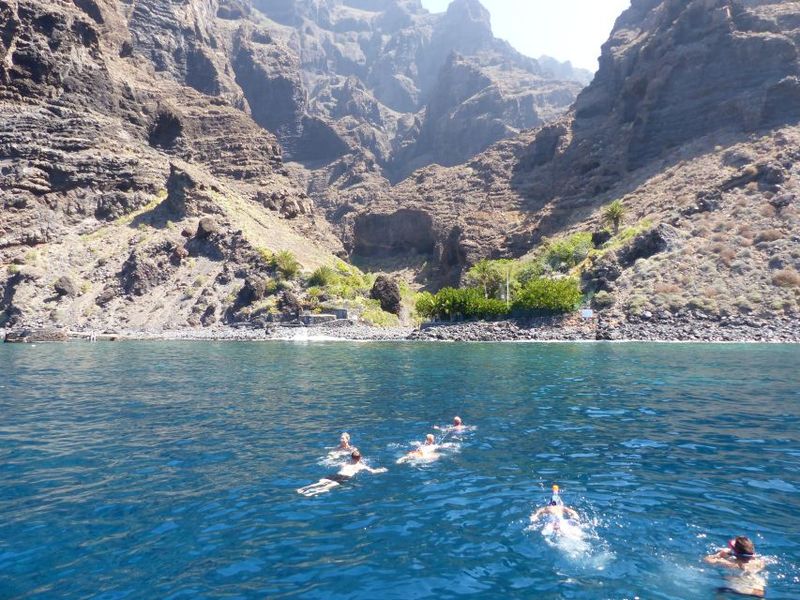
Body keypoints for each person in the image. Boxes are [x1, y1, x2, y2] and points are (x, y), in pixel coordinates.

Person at [298, 450, 387, 497]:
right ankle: (310, 493)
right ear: (360, 458)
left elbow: (334, 463)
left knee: (320, 482)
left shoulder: (345, 463)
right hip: (345, 477)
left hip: (337, 474)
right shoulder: (361, 466)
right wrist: (382, 470)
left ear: (351, 457)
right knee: (327, 487)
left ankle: (303, 488)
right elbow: (373, 471)